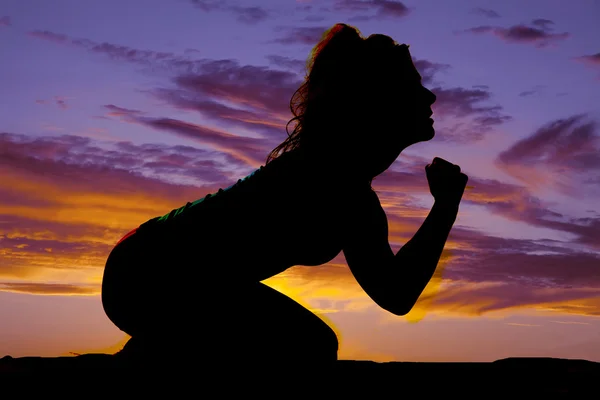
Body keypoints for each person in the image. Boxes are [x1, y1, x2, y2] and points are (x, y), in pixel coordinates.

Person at [101, 23, 468, 368]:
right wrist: (445, 206)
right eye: (413, 85)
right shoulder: (322, 179)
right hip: (144, 273)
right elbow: (396, 293)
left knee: (306, 342)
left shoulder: (350, 192)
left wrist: (445, 206)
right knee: (307, 343)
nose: (430, 95)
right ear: (377, 102)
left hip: (165, 278)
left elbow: (395, 295)